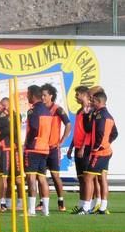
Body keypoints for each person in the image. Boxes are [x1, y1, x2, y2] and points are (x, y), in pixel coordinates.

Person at [80, 90, 118, 215]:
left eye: (93, 100)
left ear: (99, 101)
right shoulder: (100, 114)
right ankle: (102, 208)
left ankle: (85, 208)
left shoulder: (102, 115)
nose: (91, 102)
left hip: (100, 153)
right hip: (104, 151)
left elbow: (101, 134)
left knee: (88, 178)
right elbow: (89, 129)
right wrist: (86, 115)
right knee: (102, 179)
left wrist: (97, 147)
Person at [41, 83, 71, 212]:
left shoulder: (57, 109)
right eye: (41, 95)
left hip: (53, 147)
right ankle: (41, 202)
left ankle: (61, 201)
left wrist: (62, 140)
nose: (42, 97)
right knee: (40, 176)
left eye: (44, 95)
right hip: (41, 148)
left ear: (51, 96)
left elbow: (68, 124)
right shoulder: (40, 109)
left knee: (55, 176)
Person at [23, 85, 52, 216]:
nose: (27, 97)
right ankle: (46, 210)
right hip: (44, 148)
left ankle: (31, 210)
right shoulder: (47, 110)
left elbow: (34, 128)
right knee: (42, 178)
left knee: (31, 178)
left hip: (33, 148)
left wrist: (27, 143)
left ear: (33, 95)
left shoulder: (33, 110)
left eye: (28, 94)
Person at [67, 86, 94, 214]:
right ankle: (81, 204)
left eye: (77, 94)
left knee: (87, 178)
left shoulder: (89, 110)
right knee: (81, 179)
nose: (76, 97)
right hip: (77, 148)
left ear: (84, 95)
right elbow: (77, 132)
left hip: (86, 149)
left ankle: (88, 206)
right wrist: (71, 147)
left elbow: (89, 132)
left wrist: (83, 147)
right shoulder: (79, 111)